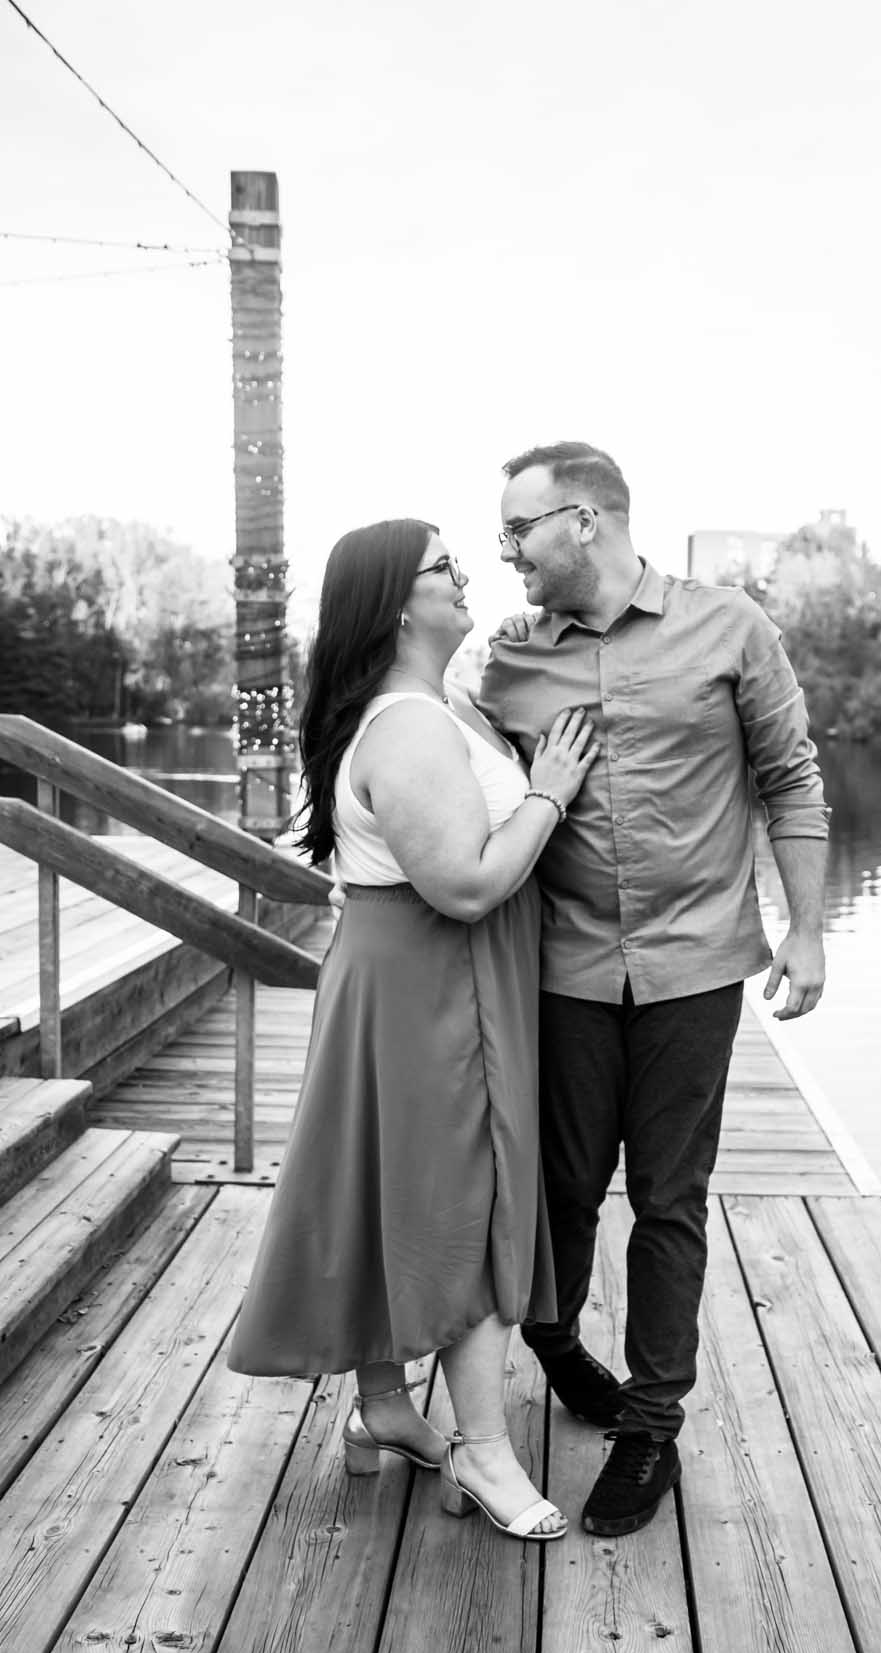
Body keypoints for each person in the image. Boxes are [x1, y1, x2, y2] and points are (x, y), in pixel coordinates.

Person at [479, 442, 830, 1537]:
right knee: (564, 1189)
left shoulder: (730, 628)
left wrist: (807, 928)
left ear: (582, 521)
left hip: (692, 970)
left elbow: (791, 776)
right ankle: (549, 1336)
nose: (506, 551)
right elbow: (433, 751)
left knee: (669, 1196)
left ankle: (650, 1425)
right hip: (566, 970)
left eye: (519, 529)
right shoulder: (505, 660)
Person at [228, 518, 597, 1542]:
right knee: (460, 1197)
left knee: (393, 1184)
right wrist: (549, 795)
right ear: (397, 602)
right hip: (432, 978)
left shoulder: (438, 704)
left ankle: (387, 1408)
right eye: (444, 565)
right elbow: (469, 884)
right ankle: (478, 1447)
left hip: (404, 975)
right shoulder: (405, 726)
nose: (465, 570)